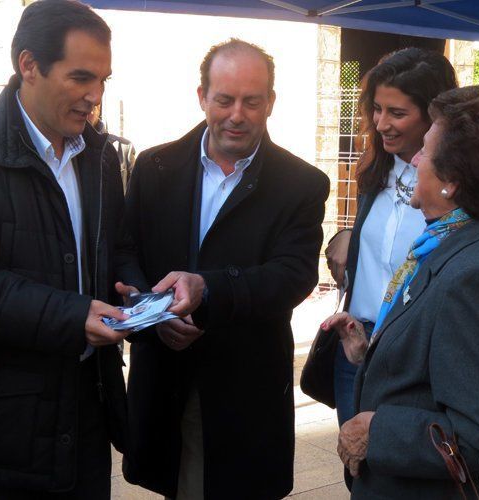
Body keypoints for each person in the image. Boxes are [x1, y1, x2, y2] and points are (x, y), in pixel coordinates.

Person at [0, 1, 148, 497]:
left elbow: (115, 245)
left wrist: (138, 296)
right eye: (81, 77)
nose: (95, 96)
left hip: (86, 412)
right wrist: (70, 314)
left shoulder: (99, 155)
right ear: (28, 65)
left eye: (104, 80)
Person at [321, 86, 479, 499]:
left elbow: (476, 439)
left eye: (426, 152)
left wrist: (375, 430)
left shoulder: (477, 275)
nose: (413, 160)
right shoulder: (459, 243)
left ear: (452, 181)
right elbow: (446, 361)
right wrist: (377, 351)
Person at [120, 39, 330, 499]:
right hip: (164, 373)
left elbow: (293, 275)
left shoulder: (301, 184)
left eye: (252, 101)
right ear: (202, 97)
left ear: (270, 102)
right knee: (174, 481)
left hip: (243, 382)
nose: (237, 114)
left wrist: (208, 290)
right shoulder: (154, 166)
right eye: (224, 99)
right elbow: (125, 249)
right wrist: (151, 313)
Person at [323, 47, 457, 428]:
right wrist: (348, 235)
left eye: (397, 113)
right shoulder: (376, 170)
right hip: (355, 345)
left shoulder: (455, 187)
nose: (381, 123)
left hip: (413, 357)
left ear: (434, 116)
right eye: (377, 109)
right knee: (357, 467)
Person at [89, 103, 136, 190]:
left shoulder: (123, 147)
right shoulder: (63, 150)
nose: (87, 111)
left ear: (98, 108)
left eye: (91, 105)